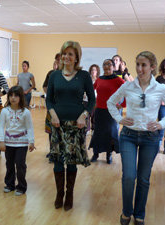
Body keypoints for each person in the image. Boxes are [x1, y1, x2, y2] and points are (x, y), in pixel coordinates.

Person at [107, 51, 165, 225]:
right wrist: (119, 118)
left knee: (144, 178)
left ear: (152, 67)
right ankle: (126, 212)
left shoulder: (160, 88)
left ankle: (139, 214)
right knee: (129, 177)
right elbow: (110, 102)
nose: (139, 68)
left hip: (150, 139)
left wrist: (161, 124)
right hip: (128, 136)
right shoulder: (127, 86)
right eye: (137, 64)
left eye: (144, 65)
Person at [46, 41, 95, 211]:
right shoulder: (55, 75)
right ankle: (60, 193)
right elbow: (49, 99)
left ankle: (70, 194)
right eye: (64, 53)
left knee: (72, 161)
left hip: (76, 125)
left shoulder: (83, 76)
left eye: (70, 54)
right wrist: (52, 114)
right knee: (58, 160)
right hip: (57, 123)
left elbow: (92, 100)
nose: (66, 57)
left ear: (76, 58)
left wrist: (84, 115)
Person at [0, 85, 35, 196]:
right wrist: (1, 141)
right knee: (9, 164)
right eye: (11, 95)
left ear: (21, 97)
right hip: (8, 142)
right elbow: (0, 126)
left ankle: (21, 186)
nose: (13, 98)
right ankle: (10, 184)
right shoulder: (4, 111)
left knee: (20, 164)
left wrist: (31, 141)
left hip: (22, 142)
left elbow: (29, 127)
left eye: (16, 96)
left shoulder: (26, 112)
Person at [89, 59, 125, 164]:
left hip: (112, 112)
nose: (107, 66)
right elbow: (91, 89)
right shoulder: (99, 79)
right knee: (98, 133)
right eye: (104, 64)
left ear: (113, 67)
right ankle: (96, 154)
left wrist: (122, 104)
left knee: (110, 134)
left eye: (109, 64)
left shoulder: (118, 80)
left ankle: (109, 155)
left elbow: (127, 90)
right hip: (99, 111)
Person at [42, 53, 60, 163]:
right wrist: (50, 94)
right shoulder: (51, 73)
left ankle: (58, 151)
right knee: (51, 130)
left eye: (60, 59)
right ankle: (52, 150)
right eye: (57, 60)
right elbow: (45, 86)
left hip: (62, 108)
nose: (58, 62)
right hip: (51, 106)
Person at [87, 64, 101, 133]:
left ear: (97, 71)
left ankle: (93, 129)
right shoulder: (87, 80)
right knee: (87, 115)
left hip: (96, 100)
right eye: (92, 70)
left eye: (95, 70)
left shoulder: (99, 80)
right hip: (87, 100)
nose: (93, 71)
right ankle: (87, 129)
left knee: (94, 116)